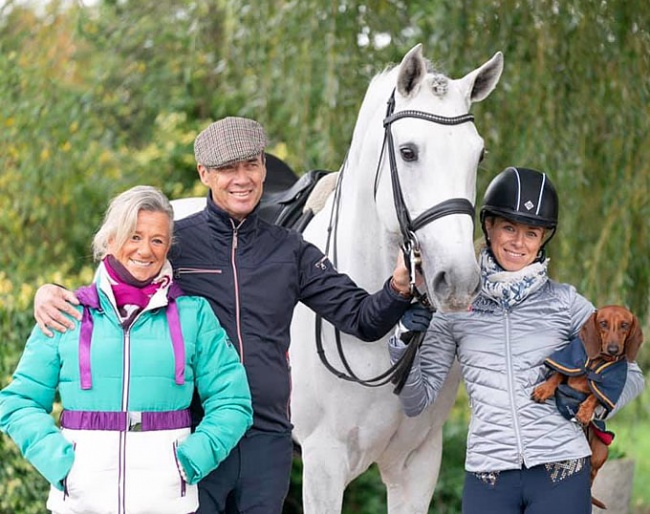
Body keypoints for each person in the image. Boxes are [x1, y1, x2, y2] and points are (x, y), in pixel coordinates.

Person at [33, 117, 415, 513]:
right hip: (193, 438)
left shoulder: (292, 251)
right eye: (228, 168)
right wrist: (50, 294)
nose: (242, 178)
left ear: (264, 168)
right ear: (204, 174)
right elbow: (117, 290)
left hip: (267, 441)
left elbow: (362, 318)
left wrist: (399, 287)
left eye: (251, 165)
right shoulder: (176, 243)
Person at [388, 167, 645, 514]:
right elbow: (416, 401)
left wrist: (594, 402)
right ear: (489, 226)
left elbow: (630, 374)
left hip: (561, 468)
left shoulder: (565, 303)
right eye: (509, 227)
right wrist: (402, 340)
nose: (518, 242)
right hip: (489, 474)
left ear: (543, 240)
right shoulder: (455, 306)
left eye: (531, 233)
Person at [0, 186, 253, 514]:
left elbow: (233, 402)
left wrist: (189, 463)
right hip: (80, 504)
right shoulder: (66, 312)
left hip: (167, 504)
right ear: (110, 239)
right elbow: (18, 401)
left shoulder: (194, 315)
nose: (145, 250)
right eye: (134, 236)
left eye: (157, 240)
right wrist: (61, 464)